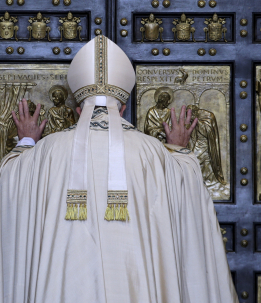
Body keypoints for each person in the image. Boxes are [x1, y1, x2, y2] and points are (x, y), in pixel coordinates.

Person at [0, 36, 239, 303]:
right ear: (123, 109)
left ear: (78, 110)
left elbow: (11, 182)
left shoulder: (47, 151)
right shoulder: (153, 152)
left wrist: (27, 140)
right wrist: (179, 149)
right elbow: (187, 187)